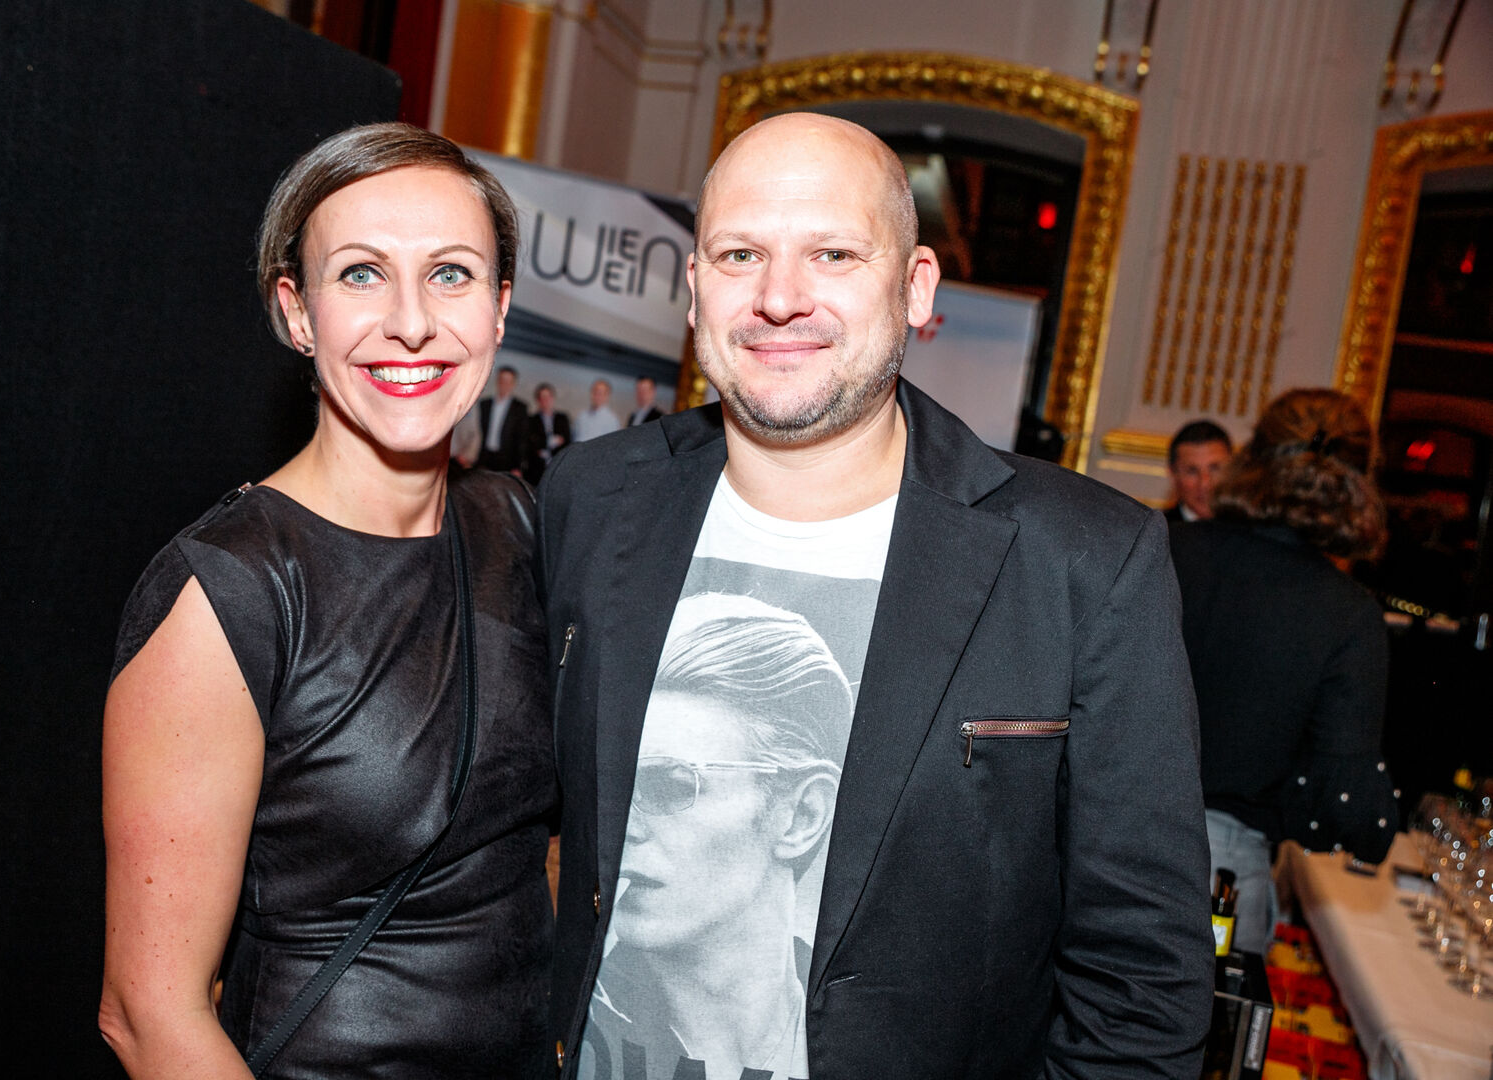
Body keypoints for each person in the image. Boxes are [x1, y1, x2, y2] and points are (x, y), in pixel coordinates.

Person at [536, 112, 1213, 1079]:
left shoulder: (1085, 560)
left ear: (916, 287)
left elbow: (1141, 980)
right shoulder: (593, 498)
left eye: (833, 254)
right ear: (693, 289)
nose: (779, 298)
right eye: (739, 255)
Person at [98, 123, 556, 1079]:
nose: (411, 323)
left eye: (451, 274)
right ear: (297, 312)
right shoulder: (226, 592)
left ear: (501, 308)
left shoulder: (518, 525)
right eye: (360, 274)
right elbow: (147, 1014)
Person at [1169, 388, 1397, 953]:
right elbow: (1347, 807)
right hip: (1214, 873)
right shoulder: (1347, 612)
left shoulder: (1161, 545)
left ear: (1251, 458)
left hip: (1091, 838)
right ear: (1357, 482)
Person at [584, 593, 850, 1075]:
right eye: (613, 785)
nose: (623, 825)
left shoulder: (887, 1025)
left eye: (671, 785)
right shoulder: (572, 1031)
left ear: (802, 816)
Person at [1166, 419, 1233, 523]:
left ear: (1234, 471)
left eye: (1214, 469)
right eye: (1192, 471)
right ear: (1173, 475)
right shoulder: (1156, 530)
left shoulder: (1253, 530)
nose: (1204, 484)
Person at [477, 364, 530, 473]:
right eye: (502, 380)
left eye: (508, 381)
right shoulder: (484, 404)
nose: (504, 384)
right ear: (497, 381)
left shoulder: (520, 408)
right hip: (483, 457)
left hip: (506, 461)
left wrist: (517, 466)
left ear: (513, 384)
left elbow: (522, 438)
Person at [526, 382, 571, 486]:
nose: (545, 401)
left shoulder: (562, 418)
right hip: (536, 471)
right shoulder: (531, 420)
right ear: (538, 400)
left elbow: (567, 442)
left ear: (553, 398)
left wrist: (543, 445)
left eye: (548, 397)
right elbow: (531, 444)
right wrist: (552, 441)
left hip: (558, 469)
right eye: (542, 398)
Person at [573, 378, 622, 442]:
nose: (597, 396)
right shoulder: (582, 416)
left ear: (607, 396)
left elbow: (613, 443)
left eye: (600, 393)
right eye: (595, 392)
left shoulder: (612, 420)